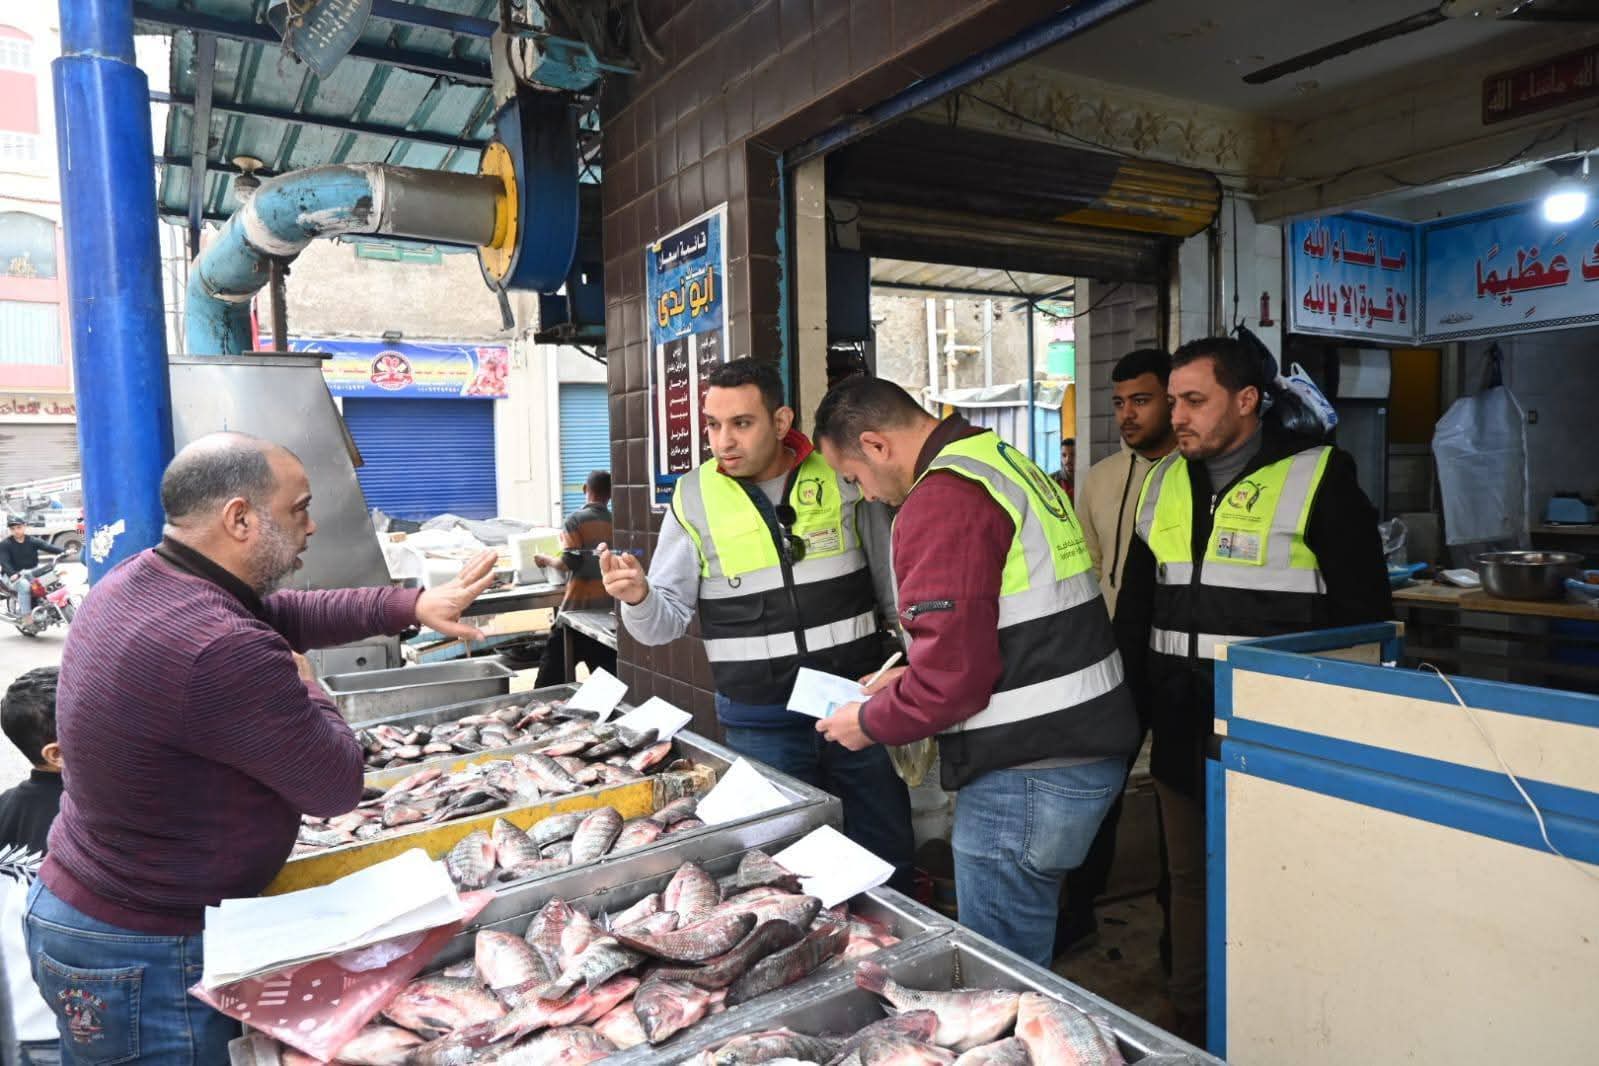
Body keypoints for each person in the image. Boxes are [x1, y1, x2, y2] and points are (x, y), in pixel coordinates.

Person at [25, 432, 495, 1065]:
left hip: (91, 913)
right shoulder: (218, 644)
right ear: (240, 518)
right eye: (298, 508)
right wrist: (305, 680)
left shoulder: (144, 578)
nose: (311, 525)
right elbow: (335, 786)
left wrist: (412, 604)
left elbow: (283, 612)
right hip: (145, 951)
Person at [809, 377, 1139, 969]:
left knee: (1002, 972)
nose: (867, 494)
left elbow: (953, 681)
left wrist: (870, 721)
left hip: (1028, 772)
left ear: (877, 444)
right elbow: (999, 622)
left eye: (854, 477)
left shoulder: (943, 498)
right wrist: (910, 674)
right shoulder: (998, 460)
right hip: (1077, 746)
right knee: (1025, 948)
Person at [1117, 336, 1391, 1043]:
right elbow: (1136, 613)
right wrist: (1127, 717)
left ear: (1246, 401)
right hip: (1180, 723)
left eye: (1193, 400)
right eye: (1172, 401)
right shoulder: (1162, 482)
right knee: (1188, 878)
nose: (1176, 416)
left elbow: (1363, 616)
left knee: (1276, 877)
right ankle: (1192, 1017)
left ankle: (1281, 1019)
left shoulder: (1318, 477)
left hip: (1278, 732)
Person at [600, 358, 915, 889]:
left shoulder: (840, 475)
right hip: (761, 722)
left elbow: (895, 588)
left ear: (781, 420)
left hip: (855, 706)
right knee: (784, 870)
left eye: (741, 423)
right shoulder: (694, 496)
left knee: (885, 849)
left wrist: (915, 671)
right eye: (713, 425)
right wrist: (638, 598)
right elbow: (661, 627)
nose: (723, 441)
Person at [1057, 347, 1178, 955]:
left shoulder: (1197, 475)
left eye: (1142, 400)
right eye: (1120, 403)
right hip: (1111, 663)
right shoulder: (1102, 479)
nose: (1127, 415)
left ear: (1172, 401)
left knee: (1177, 794)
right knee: (1096, 788)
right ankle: (1077, 912)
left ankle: (1178, 932)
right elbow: (1086, 569)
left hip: (1178, 661)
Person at [0, 668, 63, 1066]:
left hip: (15, 1021)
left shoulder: (4, 805)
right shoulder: (89, 820)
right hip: (63, 1025)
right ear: (56, 754)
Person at [532, 470, 618, 688]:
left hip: (576, 611)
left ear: (585, 489)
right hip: (606, 615)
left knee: (548, 682)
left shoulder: (575, 520)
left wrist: (545, 559)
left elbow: (569, 562)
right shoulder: (616, 521)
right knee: (609, 686)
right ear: (610, 493)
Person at [1, 519, 64, 621]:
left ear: (24, 526)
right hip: (12, 576)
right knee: (24, 585)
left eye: (19, 527)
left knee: (52, 580)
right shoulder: (5, 544)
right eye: (13, 529)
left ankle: (53, 607)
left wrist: (65, 551)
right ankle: (27, 617)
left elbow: (49, 547)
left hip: (32, 572)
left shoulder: (32, 540)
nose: (16, 531)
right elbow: (4, 562)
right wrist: (12, 574)